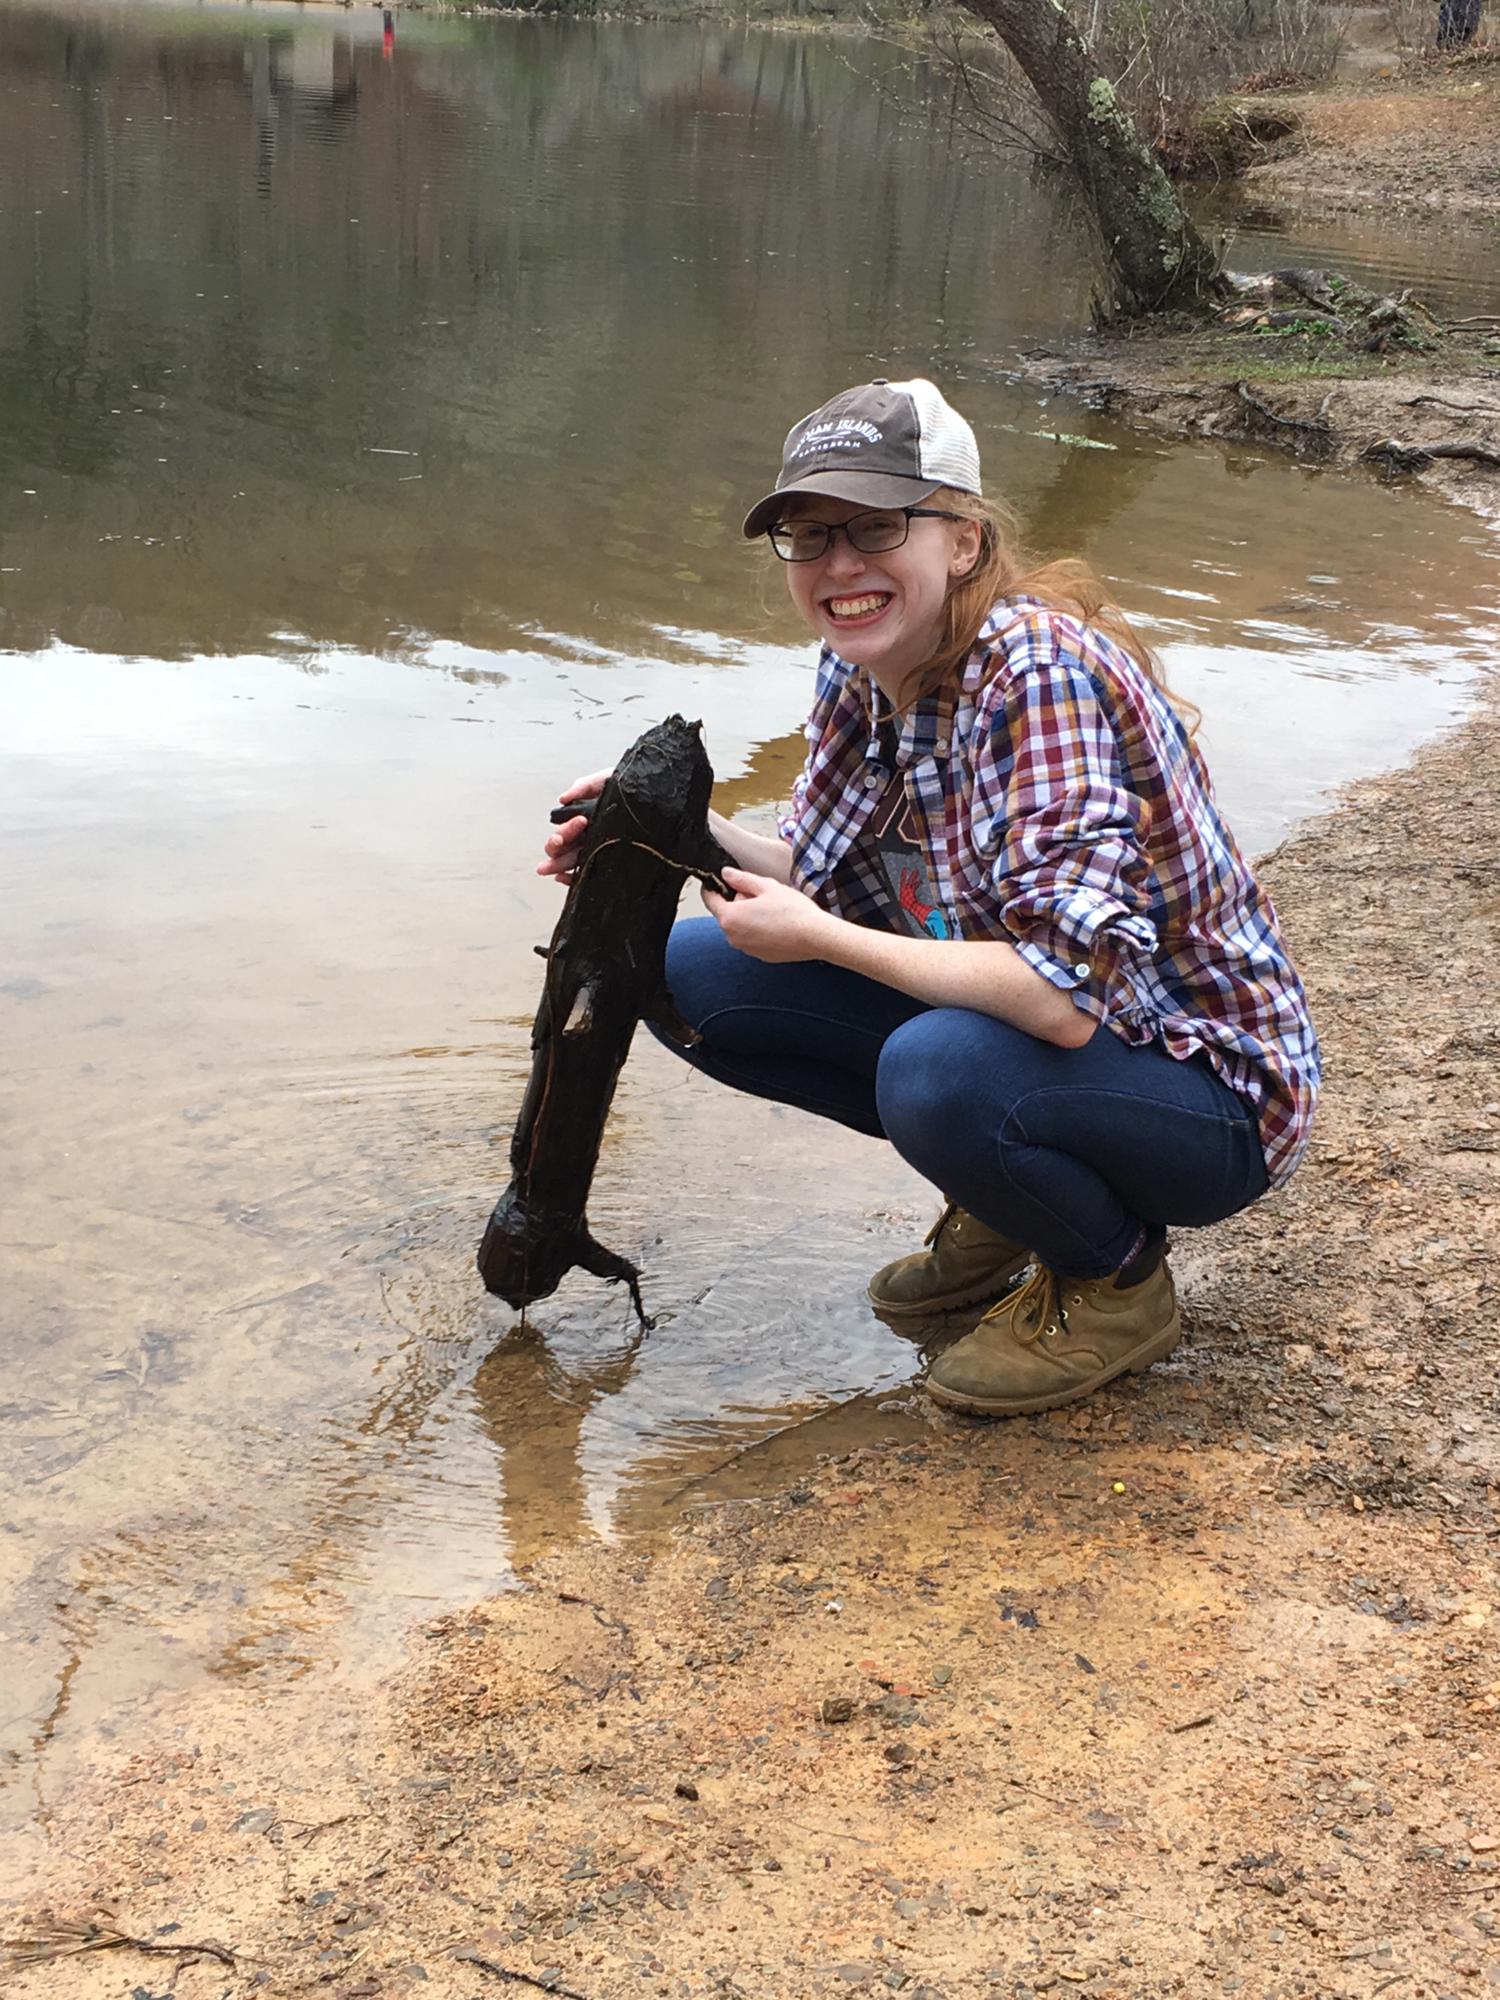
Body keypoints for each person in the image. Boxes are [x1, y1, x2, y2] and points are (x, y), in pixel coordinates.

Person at [539, 378, 1320, 1417]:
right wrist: (669, 833)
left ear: (962, 538)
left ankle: (1115, 1279)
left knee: (935, 1069)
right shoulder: (863, 666)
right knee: (682, 975)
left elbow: (1056, 996)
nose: (839, 566)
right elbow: (817, 876)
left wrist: (822, 938)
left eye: (875, 527)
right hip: (1063, 1043)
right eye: (810, 536)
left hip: (1207, 1091)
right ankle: (1014, 1201)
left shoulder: (1036, 673)